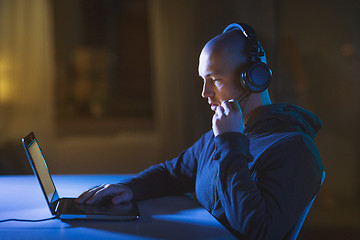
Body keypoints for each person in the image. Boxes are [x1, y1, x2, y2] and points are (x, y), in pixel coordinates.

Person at [76, 23, 324, 239]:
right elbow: (173, 173)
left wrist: (230, 143)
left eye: (215, 79)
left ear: (254, 78)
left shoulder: (293, 149)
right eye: (203, 80)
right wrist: (130, 188)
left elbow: (256, 230)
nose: (205, 93)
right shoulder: (224, 134)